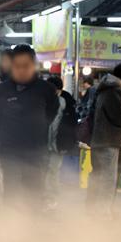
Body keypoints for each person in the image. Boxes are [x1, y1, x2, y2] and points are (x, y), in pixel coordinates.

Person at [0, 44, 59, 210]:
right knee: (11, 194)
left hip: (35, 150)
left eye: (26, 66)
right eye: (17, 66)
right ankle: (11, 223)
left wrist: (38, 127)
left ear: (34, 65)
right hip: (10, 151)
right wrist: (8, 132)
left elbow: (51, 112)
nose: (21, 70)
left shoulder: (46, 90)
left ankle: (32, 221)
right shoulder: (1, 90)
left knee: (34, 192)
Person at [87, 60, 121, 219]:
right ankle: (102, 213)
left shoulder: (104, 88)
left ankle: (92, 210)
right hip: (109, 140)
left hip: (99, 139)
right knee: (107, 179)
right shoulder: (115, 89)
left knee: (98, 176)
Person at [45, 76, 78, 209]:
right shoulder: (43, 100)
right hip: (43, 143)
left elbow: (71, 125)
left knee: (52, 171)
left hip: (58, 144)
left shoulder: (67, 102)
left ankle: (52, 198)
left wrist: (66, 144)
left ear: (59, 90)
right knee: (45, 171)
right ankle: (45, 197)